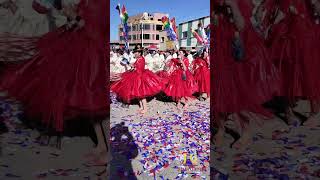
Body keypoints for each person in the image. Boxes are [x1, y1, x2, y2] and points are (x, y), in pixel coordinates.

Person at [0, 0, 109, 166]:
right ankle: (101, 146)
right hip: (86, 53)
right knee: (91, 105)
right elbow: (82, 21)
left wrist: (74, 19)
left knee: (97, 105)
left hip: (94, 57)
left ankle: (106, 149)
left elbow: (92, 25)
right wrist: (73, 21)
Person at [212, 0, 280, 149]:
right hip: (218, 54)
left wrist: (232, 5)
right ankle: (221, 129)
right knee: (219, 96)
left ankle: (246, 132)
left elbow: (242, 26)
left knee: (239, 96)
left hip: (234, 54)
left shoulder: (237, 3)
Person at [111, 45, 164, 114]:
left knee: (141, 95)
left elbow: (138, 69)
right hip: (137, 76)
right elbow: (135, 67)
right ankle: (141, 107)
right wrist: (131, 66)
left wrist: (130, 65)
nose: (135, 54)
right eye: (134, 52)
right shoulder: (138, 59)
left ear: (139, 53)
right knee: (138, 95)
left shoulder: (141, 59)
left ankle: (145, 109)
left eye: (136, 52)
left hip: (140, 78)